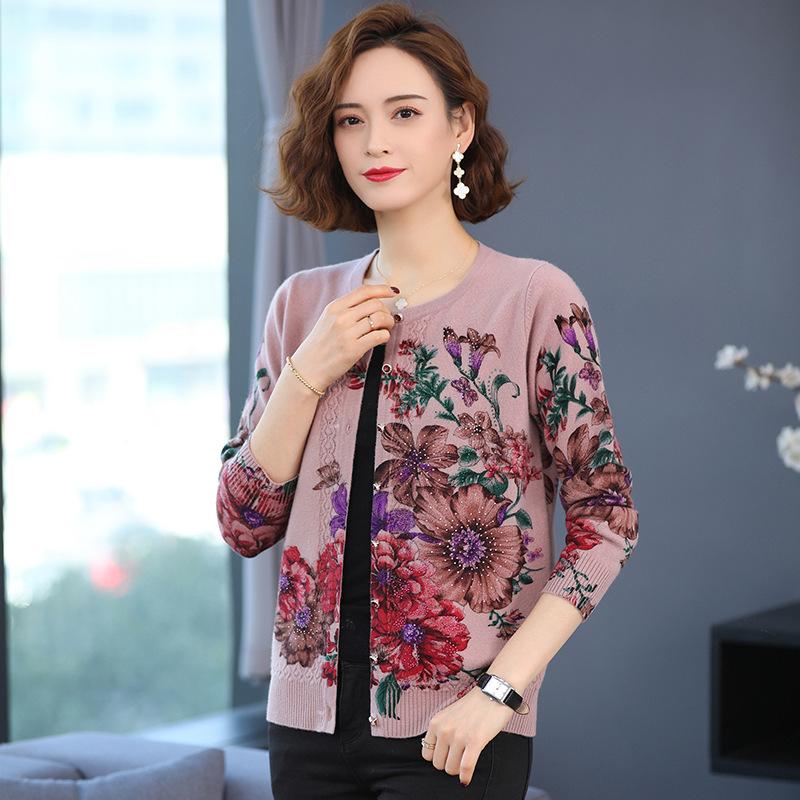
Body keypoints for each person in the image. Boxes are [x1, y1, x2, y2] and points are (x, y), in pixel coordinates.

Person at [217, 3, 639, 798]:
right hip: (303, 730)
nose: (374, 141)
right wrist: (308, 372)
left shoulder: (534, 299)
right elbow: (244, 524)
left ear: (459, 127)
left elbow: (606, 523)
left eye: (404, 113)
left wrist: (499, 695)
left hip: (459, 729)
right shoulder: (301, 307)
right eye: (350, 120)